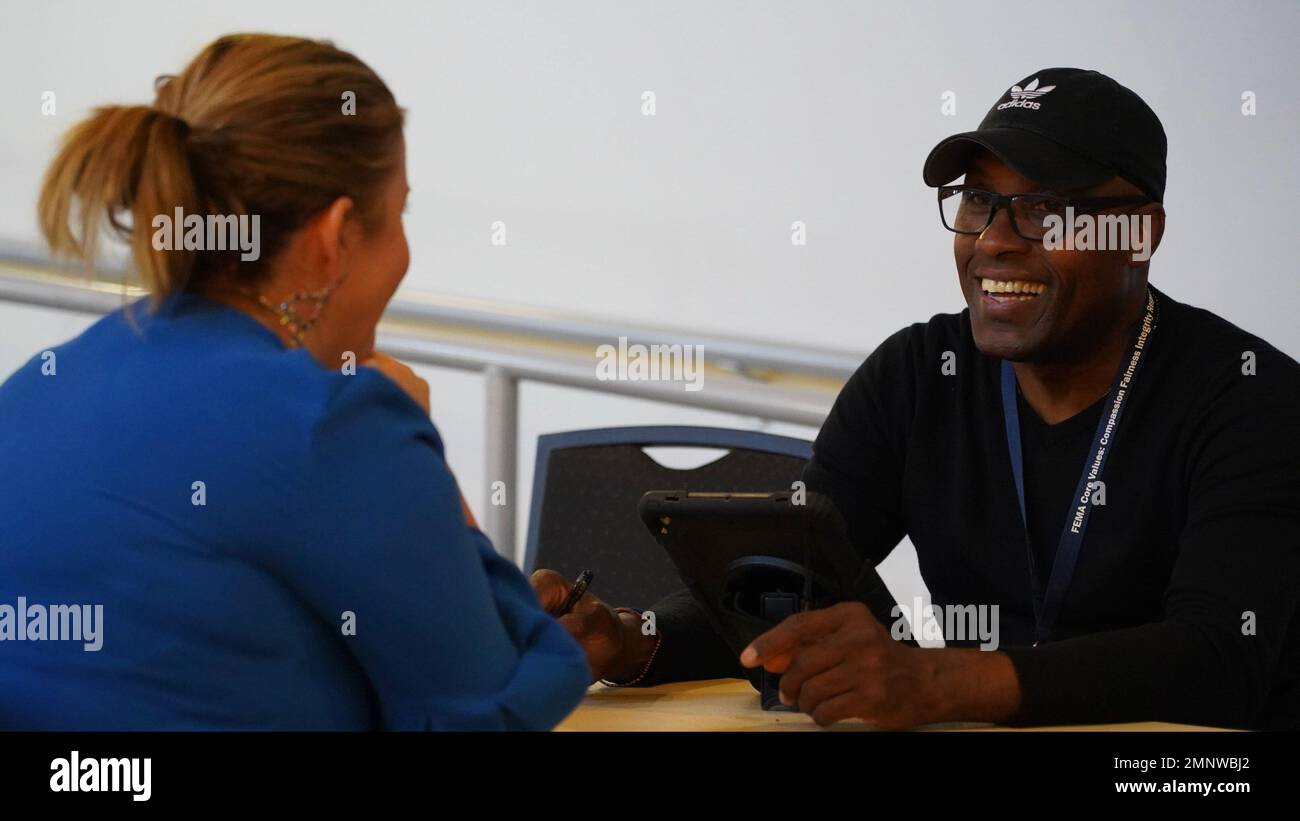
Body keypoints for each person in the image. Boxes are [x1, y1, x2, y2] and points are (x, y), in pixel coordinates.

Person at [533, 68, 1300, 730]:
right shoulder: (918, 373)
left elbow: (1219, 658)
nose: (995, 240)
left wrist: (932, 679)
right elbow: (780, 583)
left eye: (1042, 208)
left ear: (1140, 232)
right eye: (977, 202)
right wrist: (635, 641)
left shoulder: (1249, 398)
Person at [0, 33, 589, 730]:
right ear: (335, 235)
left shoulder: (30, 393)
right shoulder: (337, 425)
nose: (404, 248)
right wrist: (425, 469)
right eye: (400, 212)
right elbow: (490, 709)